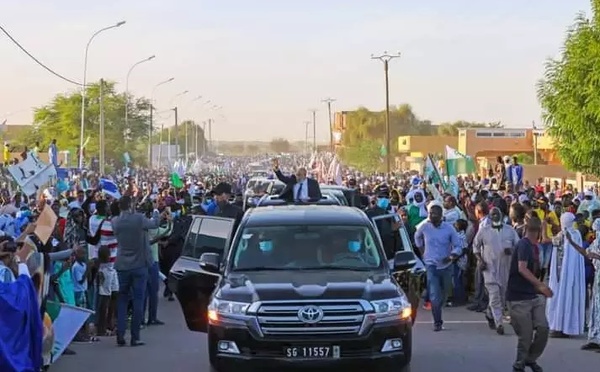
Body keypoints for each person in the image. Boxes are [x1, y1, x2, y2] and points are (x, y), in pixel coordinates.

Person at [112, 195, 165, 347]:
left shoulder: (115, 221)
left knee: (122, 300)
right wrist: (155, 209)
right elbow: (155, 224)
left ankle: (120, 334)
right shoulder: (139, 218)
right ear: (130, 205)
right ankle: (135, 337)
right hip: (139, 264)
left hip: (122, 264)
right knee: (138, 300)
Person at [506, 217, 553, 372]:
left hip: (532, 296)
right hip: (518, 298)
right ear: (538, 231)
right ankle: (519, 364)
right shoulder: (524, 245)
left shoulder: (534, 247)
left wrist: (539, 289)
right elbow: (522, 268)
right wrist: (540, 285)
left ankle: (530, 359)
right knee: (525, 336)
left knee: (543, 328)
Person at [414, 203, 462, 331]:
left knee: (444, 294)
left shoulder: (449, 228)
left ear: (441, 216)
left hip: (446, 266)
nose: (432, 216)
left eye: (435, 214)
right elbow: (417, 237)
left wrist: (452, 256)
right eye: (430, 213)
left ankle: (438, 305)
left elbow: (458, 246)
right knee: (435, 296)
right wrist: (422, 251)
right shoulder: (424, 227)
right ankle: (437, 322)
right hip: (431, 265)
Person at [473, 207, 520, 335]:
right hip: (489, 268)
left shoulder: (510, 231)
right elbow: (475, 247)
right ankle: (499, 323)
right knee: (494, 296)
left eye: (497, 214)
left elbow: (518, 245)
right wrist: (480, 261)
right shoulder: (484, 231)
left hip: (505, 267)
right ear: (489, 216)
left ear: (501, 215)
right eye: (492, 214)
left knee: (502, 297)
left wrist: (512, 251)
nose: (495, 216)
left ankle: (490, 313)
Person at [547, 212, 586, 338]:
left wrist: (543, 226)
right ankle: (568, 326)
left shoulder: (562, 235)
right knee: (569, 296)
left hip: (562, 276)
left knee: (560, 297)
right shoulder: (576, 234)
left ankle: (559, 327)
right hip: (571, 275)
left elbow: (545, 240)